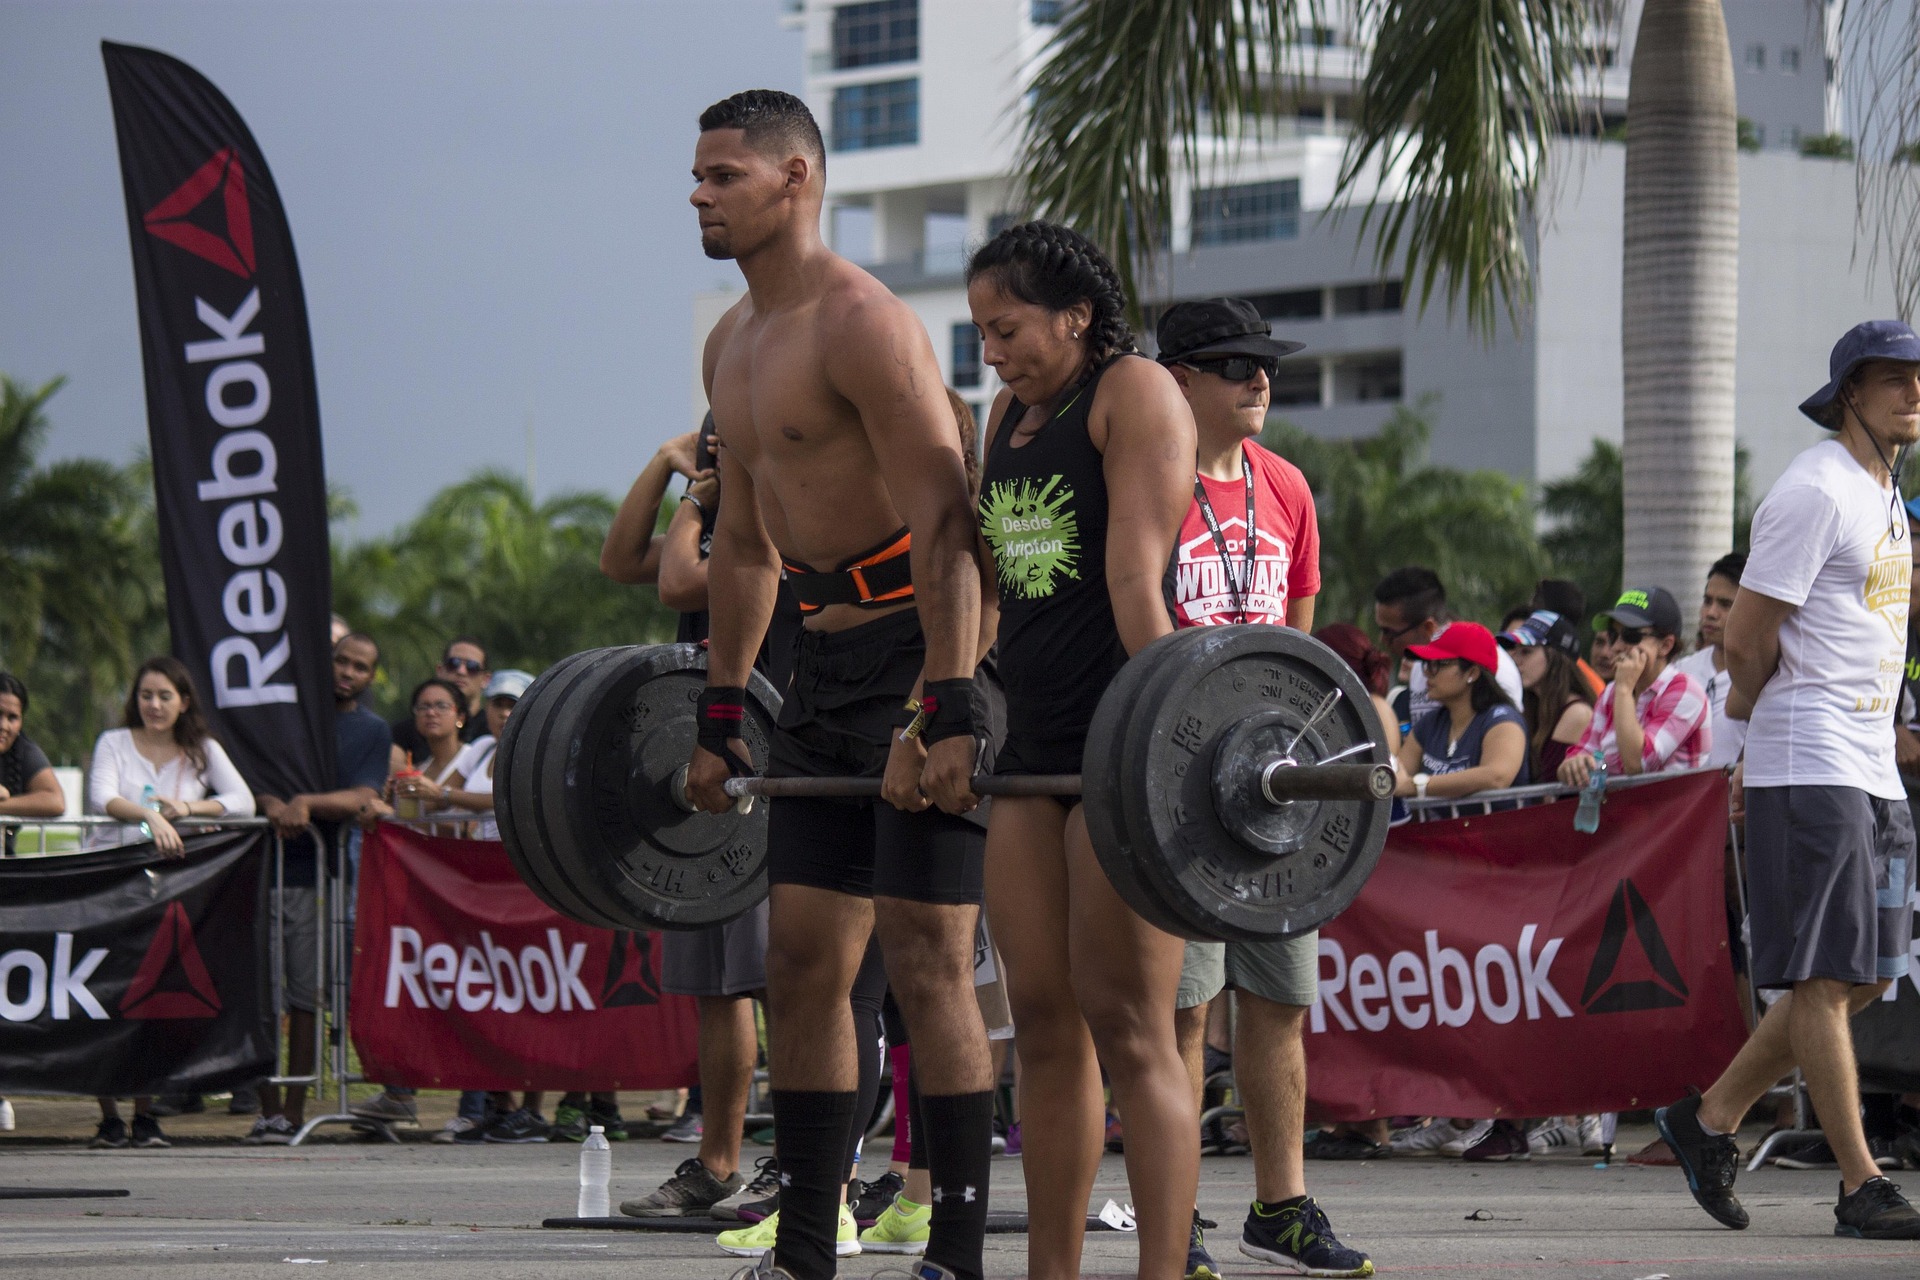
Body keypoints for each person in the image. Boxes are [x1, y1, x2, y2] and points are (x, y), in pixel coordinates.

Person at [680, 90, 994, 1280]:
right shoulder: (731, 346)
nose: (699, 194)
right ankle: (808, 1245)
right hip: (817, 667)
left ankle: (954, 1252)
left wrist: (952, 700)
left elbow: (949, 524)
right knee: (805, 959)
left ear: (795, 179)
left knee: (924, 956)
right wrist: (723, 712)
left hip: (923, 649)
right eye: (699, 175)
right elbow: (747, 550)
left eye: (722, 175)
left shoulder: (864, 324)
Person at [966, 219, 1200, 1280]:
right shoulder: (1007, 416)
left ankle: (1161, 1271)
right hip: (1029, 741)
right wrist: (947, 710)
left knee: (1131, 1020)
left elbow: (1134, 585)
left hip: (1122, 737)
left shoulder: (1134, 391)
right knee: (1043, 1023)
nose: (992, 351)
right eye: (978, 331)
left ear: (1075, 315)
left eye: (1006, 327)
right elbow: (994, 590)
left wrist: (1169, 747)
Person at [1656, 320, 1920, 1239]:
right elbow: (1745, 635)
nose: (1913, 395)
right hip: (1811, 763)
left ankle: (1710, 1117)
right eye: (1894, 380)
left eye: (1919, 379)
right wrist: (1766, 707)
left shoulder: (1886, 488)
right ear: (1849, 389)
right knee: (1820, 977)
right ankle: (1860, 1185)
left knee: (1868, 980)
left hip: (1872, 767)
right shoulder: (1813, 490)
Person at [1153, 297, 1372, 1280]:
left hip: (1273, 788)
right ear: (1181, 378)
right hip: (1173, 792)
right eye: (1235, 362)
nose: (1259, 379)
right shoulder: (1147, 482)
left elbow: (1300, 647)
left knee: (1279, 1004)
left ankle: (1280, 1206)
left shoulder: (1287, 486)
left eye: (1266, 362)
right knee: (1183, 1011)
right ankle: (1177, 1210)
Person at [84, 657, 255, 1150]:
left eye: (164, 696)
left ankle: (145, 1112)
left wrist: (187, 808)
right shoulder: (114, 743)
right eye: (146, 695)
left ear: (183, 702)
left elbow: (241, 800)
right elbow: (101, 797)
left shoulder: (200, 749)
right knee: (104, 995)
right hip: (111, 884)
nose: (154, 705)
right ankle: (108, 1116)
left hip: (171, 891)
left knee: (152, 999)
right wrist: (149, 818)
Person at [249, 633, 394, 1144]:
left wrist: (306, 803)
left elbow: (362, 796)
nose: (348, 672)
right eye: (341, 661)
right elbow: (253, 775)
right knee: (261, 996)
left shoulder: (372, 731)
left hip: (321, 880)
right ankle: (263, 1109)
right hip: (260, 873)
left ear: (370, 676)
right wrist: (272, 805)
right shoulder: (283, 717)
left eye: (360, 665)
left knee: (306, 998)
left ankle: (293, 1109)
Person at [1557, 588, 1710, 788]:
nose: (1616, 647)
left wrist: (1624, 690)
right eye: (1613, 635)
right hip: (1621, 813)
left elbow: (1637, 764)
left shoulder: (1685, 691)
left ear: (1665, 645)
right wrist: (1572, 766)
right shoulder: (1611, 692)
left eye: (1630, 635)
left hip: (1672, 814)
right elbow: (1581, 753)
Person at [1372, 568, 1525, 724]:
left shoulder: (1497, 671)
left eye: (1388, 632)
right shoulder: (1422, 667)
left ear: (1428, 628)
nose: (1382, 639)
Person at [1670, 553, 1750, 770]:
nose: (1710, 613)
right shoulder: (1681, 672)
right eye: (1707, 601)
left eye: (1725, 604)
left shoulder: (1762, 677)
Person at [1496, 611, 1595, 780]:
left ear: (1555, 657)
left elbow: (1547, 784)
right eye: (1515, 651)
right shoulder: (1531, 704)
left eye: (1526, 652)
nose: (1515, 660)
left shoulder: (1577, 712)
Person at [385, 677, 473, 837]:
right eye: (423, 707)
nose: (431, 712)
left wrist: (394, 816)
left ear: (460, 717)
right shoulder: (419, 770)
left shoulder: (473, 759)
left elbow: (464, 832)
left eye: (441, 706)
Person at [390, 638, 490, 761]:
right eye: (453, 664)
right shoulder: (403, 732)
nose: (461, 671)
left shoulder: (493, 730)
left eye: (472, 667)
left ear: (486, 679)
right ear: (440, 670)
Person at [0, 671, 65, 856]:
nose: (3, 725)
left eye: (12, 717)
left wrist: (3, 806)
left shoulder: (24, 751)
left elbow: (55, 802)